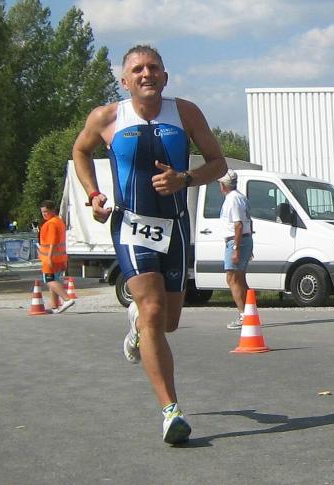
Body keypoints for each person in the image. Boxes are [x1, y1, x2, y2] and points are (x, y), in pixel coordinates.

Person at [72, 44, 227, 445]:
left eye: (153, 68)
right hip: (131, 224)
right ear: (125, 81)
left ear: (165, 76)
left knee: (168, 322)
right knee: (153, 309)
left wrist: (185, 179)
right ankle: (171, 411)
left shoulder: (186, 113)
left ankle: (138, 326)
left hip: (176, 226)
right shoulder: (107, 117)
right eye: (138, 69)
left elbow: (219, 163)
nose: (147, 74)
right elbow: (80, 150)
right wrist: (93, 194)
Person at [218, 169, 254, 329]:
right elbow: (249, 222)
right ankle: (249, 313)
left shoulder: (233, 199)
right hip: (243, 239)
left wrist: (236, 248)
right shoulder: (239, 197)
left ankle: (243, 315)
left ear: (223, 185)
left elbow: (238, 225)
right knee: (239, 279)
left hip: (236, 240)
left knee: (232, 279)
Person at [38, 200, 75, 314]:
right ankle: (54, 306)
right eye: (42, 212)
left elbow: (52, 242)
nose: (44, 214)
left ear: (53, 210)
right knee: (55, 281)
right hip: (59, 257)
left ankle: (67, 299)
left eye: (46, 212)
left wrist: (49, 257)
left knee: (49, 281)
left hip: (50, 258)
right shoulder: (59, 221)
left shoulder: (51, 224)